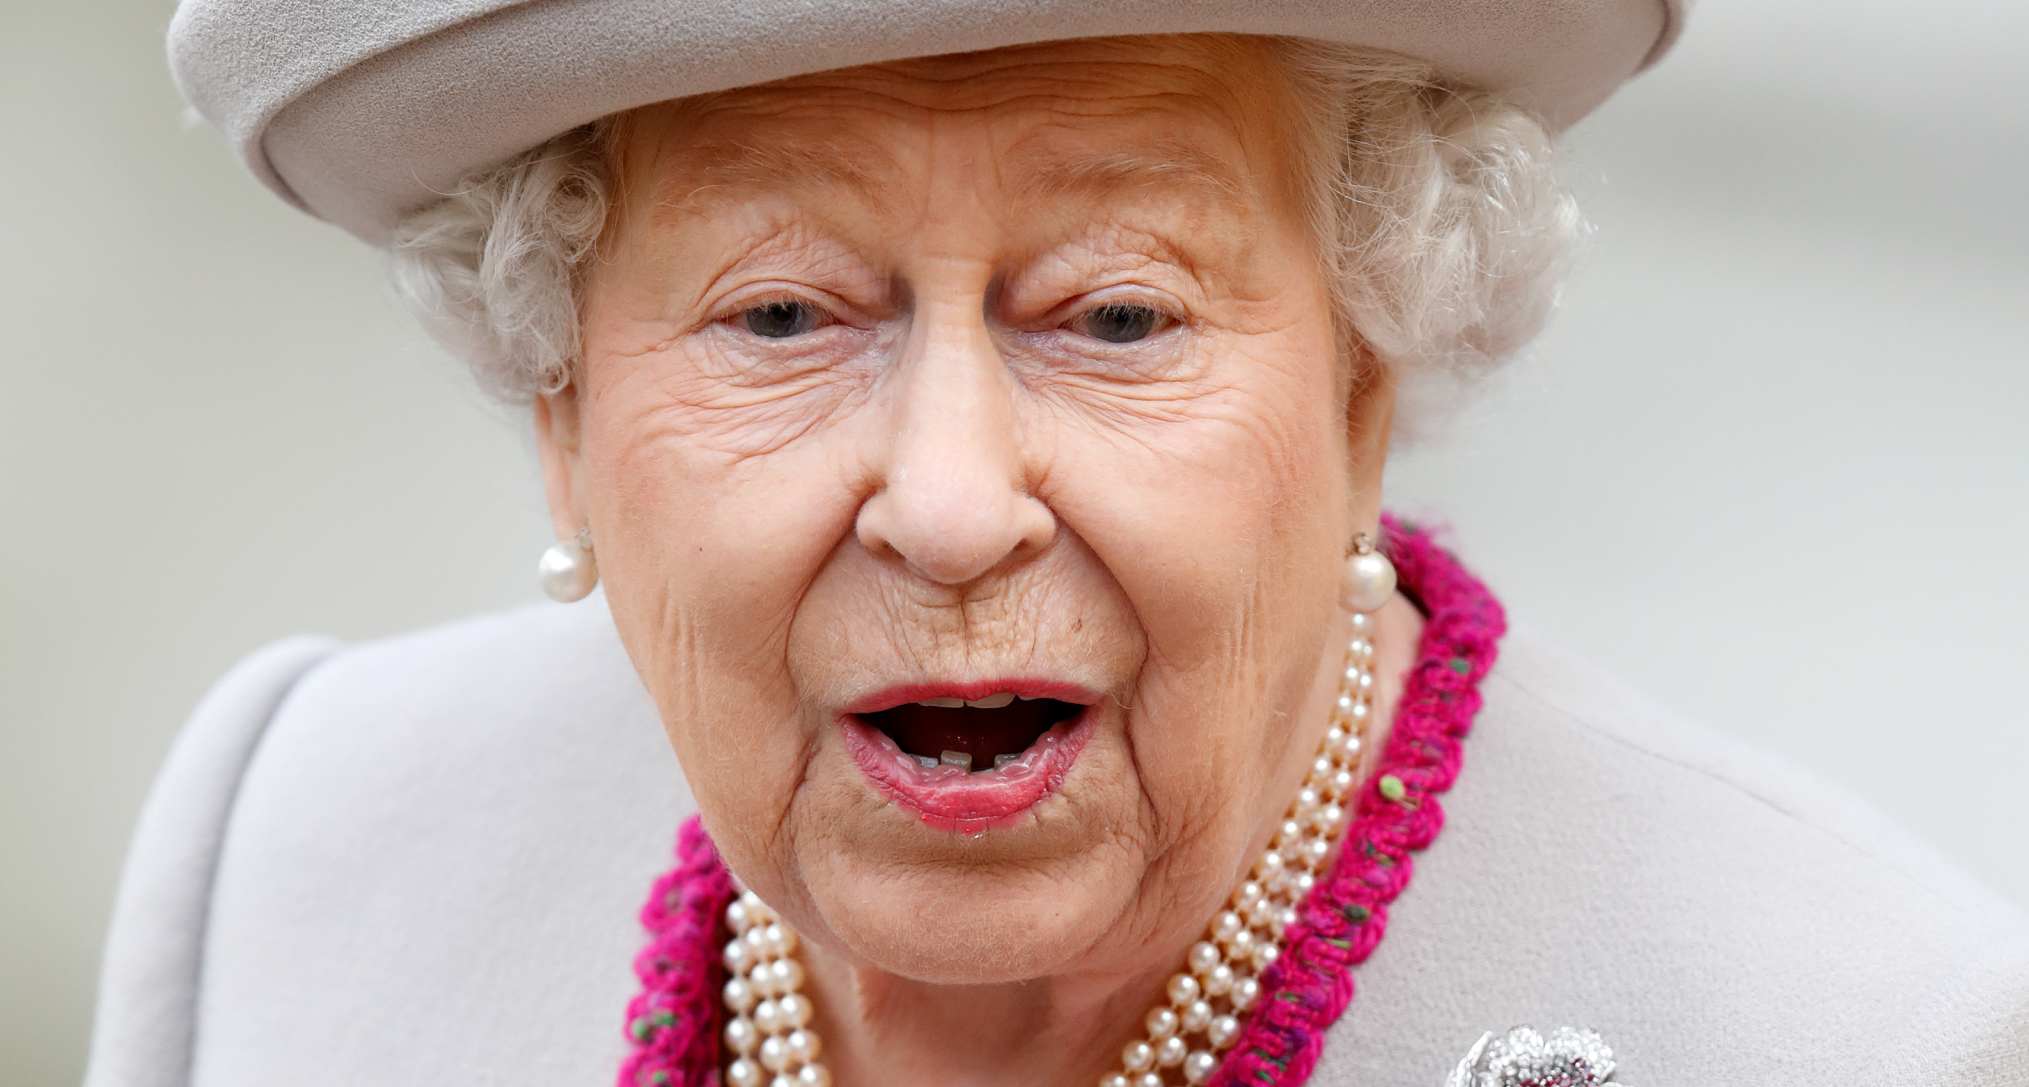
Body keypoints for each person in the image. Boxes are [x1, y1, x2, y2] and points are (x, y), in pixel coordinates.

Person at [86, 3, 2029, 1087]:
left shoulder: (1865, 1033)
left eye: (1115, 316)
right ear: (562, 416)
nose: (947, 499)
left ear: (1361, 390)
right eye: (781, 315)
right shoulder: (298, 862)